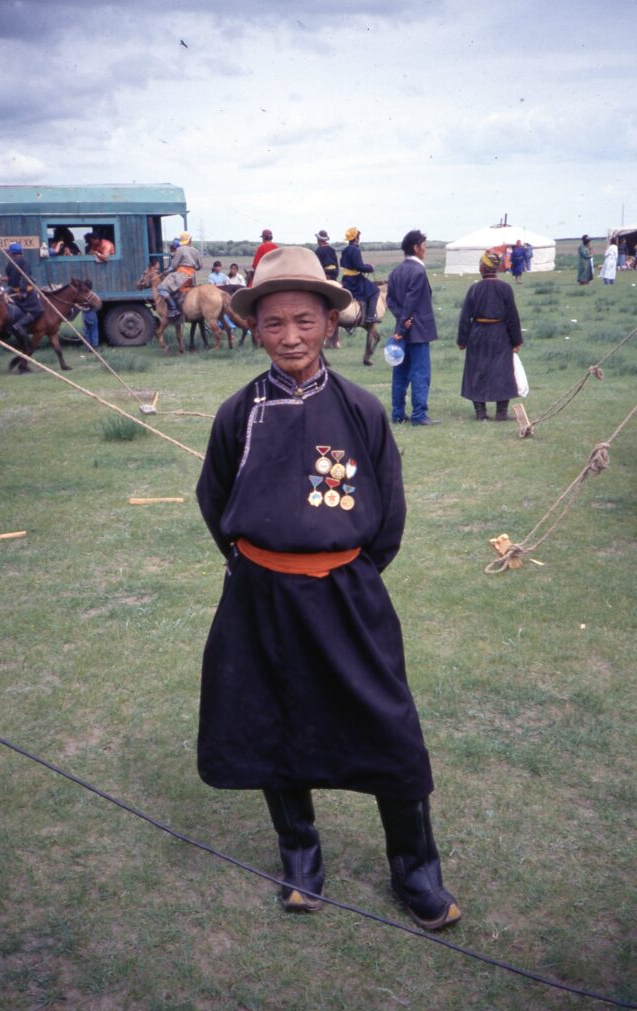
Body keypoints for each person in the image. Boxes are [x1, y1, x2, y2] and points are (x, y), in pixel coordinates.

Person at [195, 246, 461, 932]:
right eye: (275, 323)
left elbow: (388, 515)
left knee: (388, 726)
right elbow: (214, 498)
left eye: (304, 322)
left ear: (328, 324)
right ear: (256, 328)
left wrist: (345, 573)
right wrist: (259, 564)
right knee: (271, 722)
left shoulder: (362, 409)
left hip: (346, 595)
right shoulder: (237, 413)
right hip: (260, 599)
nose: (290, 337)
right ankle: (301, 857)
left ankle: (414, 868)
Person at [456, 250, 523, 421]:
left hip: (477, 334)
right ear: (496, 269)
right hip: (500, 334)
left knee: (477, 370)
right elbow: (513, 317)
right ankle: (501, 412)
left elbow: (465, 317)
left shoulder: (474, 289)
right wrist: (516, 341)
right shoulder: (505, 288)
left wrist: (462, 340)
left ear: (482, 268)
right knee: (502, 371)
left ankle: (481, 413)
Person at [386, 229, 439, 426]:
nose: (425, 250)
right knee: (420, 374)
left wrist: (400, 323)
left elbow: (390, 300)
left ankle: (398, 414)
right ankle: (419, 415)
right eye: (424, 246)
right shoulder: (418, 271)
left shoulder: (396, 271)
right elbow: (411, 303)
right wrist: (404, 326)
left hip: (403, 330)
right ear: (416, 248)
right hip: (417, 332)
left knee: (400, 374)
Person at [5, 242, 44, 349]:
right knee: (38, 310)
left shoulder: (10, 263)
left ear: (11, 252)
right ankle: (20, 325)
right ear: (21, 251)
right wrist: (23, 291)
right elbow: (25, 277)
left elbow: (10, 278)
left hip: (13, 291)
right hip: (24, 292)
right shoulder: (23, 261)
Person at [339, 227, 380, 324]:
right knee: (375, 291)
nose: (359, 238)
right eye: (358, 236)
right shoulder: (355, 250)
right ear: (356, 238)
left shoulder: (345, 250)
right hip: (355, 280)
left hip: (346, 278)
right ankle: (371, 317)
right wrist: (370, 267)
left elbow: (343, 263)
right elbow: (359, 266)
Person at [158, 232, 202, 318]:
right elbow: (200, 266)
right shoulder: (195, 250)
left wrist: (166, 272)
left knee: (161, 288)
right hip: (191, 276)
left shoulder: (180, 249)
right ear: (190, 240)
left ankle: (174, 309)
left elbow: (174, 265)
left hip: (182, 276)